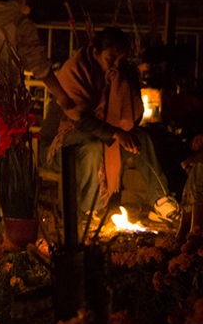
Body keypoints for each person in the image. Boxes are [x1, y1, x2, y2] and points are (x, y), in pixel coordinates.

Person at [46, 27, 177, 226]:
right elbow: (80, 119)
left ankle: (160, 200)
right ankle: (89, 210)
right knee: (92, 146)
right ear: (95, 52)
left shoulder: (119, 73)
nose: (116, 64)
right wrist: (116, 133)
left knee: (141, 139)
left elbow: (133, 117)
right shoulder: (76, 69)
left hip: (104, 139)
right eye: (111, 58)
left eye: (121, 59)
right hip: (65, 144)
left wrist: (128, 81)